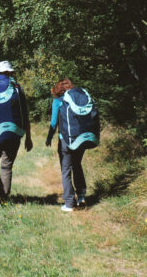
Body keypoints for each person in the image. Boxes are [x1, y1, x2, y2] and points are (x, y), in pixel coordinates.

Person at [0, 60, 33, 206]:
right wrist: (28, 137)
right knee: (6, 165)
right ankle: (3, 199)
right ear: (9, 73)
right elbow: (25, 114)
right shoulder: (16, 87)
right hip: (14, 132)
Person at [45, 78, 100, 212]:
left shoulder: (58, 101)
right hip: (80, 139)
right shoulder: (79, 99)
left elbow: (53, 123)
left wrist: (49, 138)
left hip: (65, 140)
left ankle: (69, 203)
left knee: (66, 169)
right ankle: (81, 196)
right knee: (77, 165)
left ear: (58, 89)